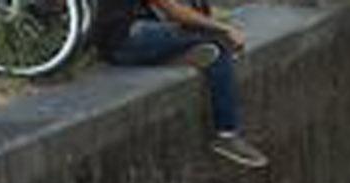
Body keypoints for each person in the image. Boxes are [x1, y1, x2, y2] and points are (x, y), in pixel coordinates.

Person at [89, 0, 266, 169]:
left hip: (120, 43)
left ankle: (179, 55)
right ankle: (227, 134)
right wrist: (224, 28)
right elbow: (172, 10)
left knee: (208, 42)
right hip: (127, 39)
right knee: (217, 45)